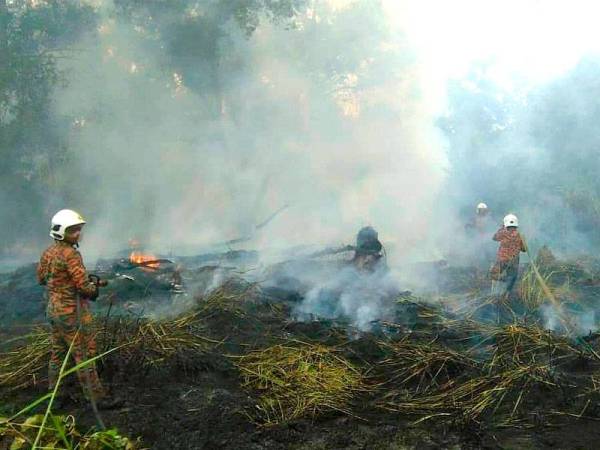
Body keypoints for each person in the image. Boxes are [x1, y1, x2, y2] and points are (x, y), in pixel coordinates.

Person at [37, 209, 119, 409]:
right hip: (72, 313)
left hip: (54, 310)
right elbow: (83, 287)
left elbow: (41, 278)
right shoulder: (71, 254)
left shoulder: (48, 252)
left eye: (78, 230)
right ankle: (96, 399)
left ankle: (56, 397)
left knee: (58, 354)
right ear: (61, 232)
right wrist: (93, 291)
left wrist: (63, 283)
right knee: (84, 354)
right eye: (73, 231)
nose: (78, 234)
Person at [491, 213, 527, 295]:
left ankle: (503, 282)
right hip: (514, 261)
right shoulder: (519, 235)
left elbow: (494, 238)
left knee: (493, 274)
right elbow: (524, 249)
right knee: (512, 278)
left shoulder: (503, 232)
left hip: (502, 260)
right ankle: (507, 293)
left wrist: (501, 228)